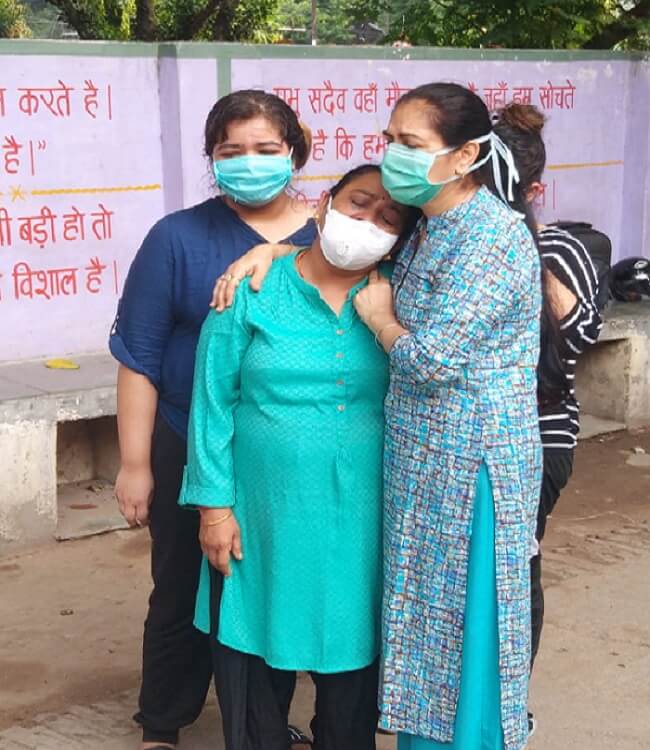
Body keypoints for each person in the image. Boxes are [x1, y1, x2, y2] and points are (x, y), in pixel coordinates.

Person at [213, 83, 543, 750]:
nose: (391, 154)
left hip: (469, 470)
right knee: (427, 649)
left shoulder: (492, 236)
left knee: (466, 646)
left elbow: (430, 360)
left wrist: (384, 323)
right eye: (389, 139)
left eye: (410, 145)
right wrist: (275, 250)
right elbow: (346, 253)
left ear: (464, 155)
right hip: (420, 471)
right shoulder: (427, 230)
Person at [179, 164, 419, 750]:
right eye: (358, 204)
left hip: (364, 523)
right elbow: (212, 403)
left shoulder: (399, 295)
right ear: (323, 206)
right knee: (254, 664)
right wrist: (214, 509)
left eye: (389, 217)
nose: (368, 222)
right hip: (262, 519)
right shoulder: (251, 289)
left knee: (351, 676)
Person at [109, 89, 315, 750]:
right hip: (185, 438)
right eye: (232, 152)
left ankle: (263, 723)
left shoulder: (329, 235)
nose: (248, 162)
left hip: (290, 451)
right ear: (212, 159)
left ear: (292, 153)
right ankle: (162, 724)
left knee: (271, 583)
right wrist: (136, 465)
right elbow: (139, 356)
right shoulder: (177, 238)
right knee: (179, 584)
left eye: (264, 149)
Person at [492, 103, 602, 730]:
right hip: (448, 439)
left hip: (534, 441)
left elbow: (576, 334)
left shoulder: (560, 247)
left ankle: (507, 710)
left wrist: (520, 239)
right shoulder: (435, 234)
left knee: (511, 573)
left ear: (534, 191)